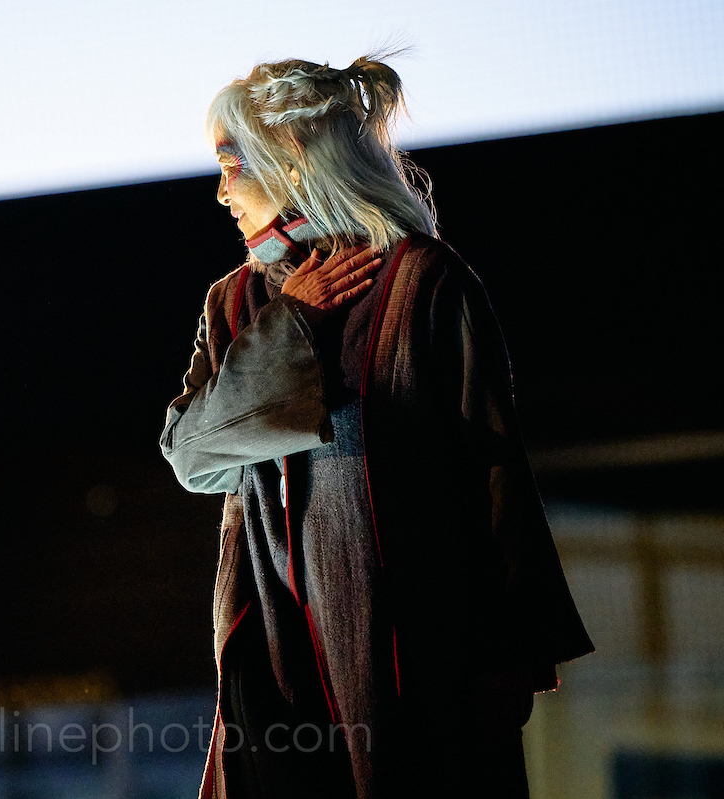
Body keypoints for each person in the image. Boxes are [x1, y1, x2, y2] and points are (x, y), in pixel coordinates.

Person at [159, 56, 593, 799]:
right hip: (276, 661)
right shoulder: (233, 304)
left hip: (414, 645)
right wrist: (291, 323)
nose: (221, 192)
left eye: (233, 166)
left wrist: (512, 654)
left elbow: (493, 467)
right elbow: (191, 455)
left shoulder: (423, 279)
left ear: (290, 159)